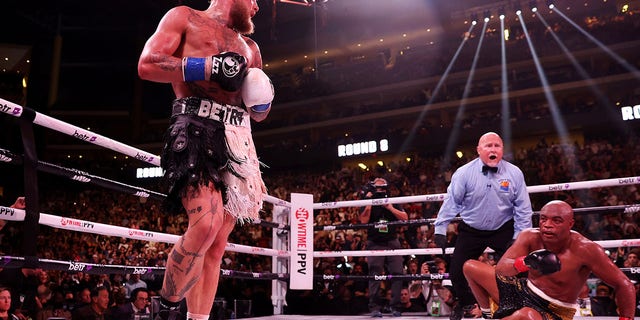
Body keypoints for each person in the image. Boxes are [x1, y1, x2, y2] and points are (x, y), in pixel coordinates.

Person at [137, 0, 273, 319]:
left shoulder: (251, 47)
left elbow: (259, 115)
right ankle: (166, 309)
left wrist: (262, 99)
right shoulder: (185, 18)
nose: (256, 6)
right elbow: (148, 64)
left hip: (238, 137)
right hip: (195, 125)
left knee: (216, 245)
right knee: (205, 225)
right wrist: (209, 67)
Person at [462, 200, 635, 319]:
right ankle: (488, 315)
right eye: (543, 219)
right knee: (470, 267)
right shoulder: (529, 236)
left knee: (526, 316)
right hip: (523, 292)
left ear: (570, 224)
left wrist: (626, 319)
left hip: (554, 310)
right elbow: (501, 270)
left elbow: (624, 284)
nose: (547, 225)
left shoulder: (586, 249)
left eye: (556, 220)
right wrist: (525, 262)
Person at [433, 131, 533, 320]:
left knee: (519, 267)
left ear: (502, 150)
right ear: (479, 150)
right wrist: (440, 228)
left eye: (497, 145)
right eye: (488, 146)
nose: (493, 149)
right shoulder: (464, 173)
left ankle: (519, 306)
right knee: (456, 271)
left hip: (503, 228)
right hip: (472, 229)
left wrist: (519, 236)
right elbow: (451, 202)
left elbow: (523, 208)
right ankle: (466, 304)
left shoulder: (514, 173)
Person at [359, 177, 408, 317]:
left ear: (386, 188)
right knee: (374, 274)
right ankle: (375, 307)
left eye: (381, 187)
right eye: (377, 186)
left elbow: (405, 218)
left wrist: (390, 208)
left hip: (392, 241)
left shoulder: (392, 200)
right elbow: (363, 220)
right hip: (374, 242)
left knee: (397, 273)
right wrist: (369, 202)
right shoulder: (367, 200)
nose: (379, 190)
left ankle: (395, 306)